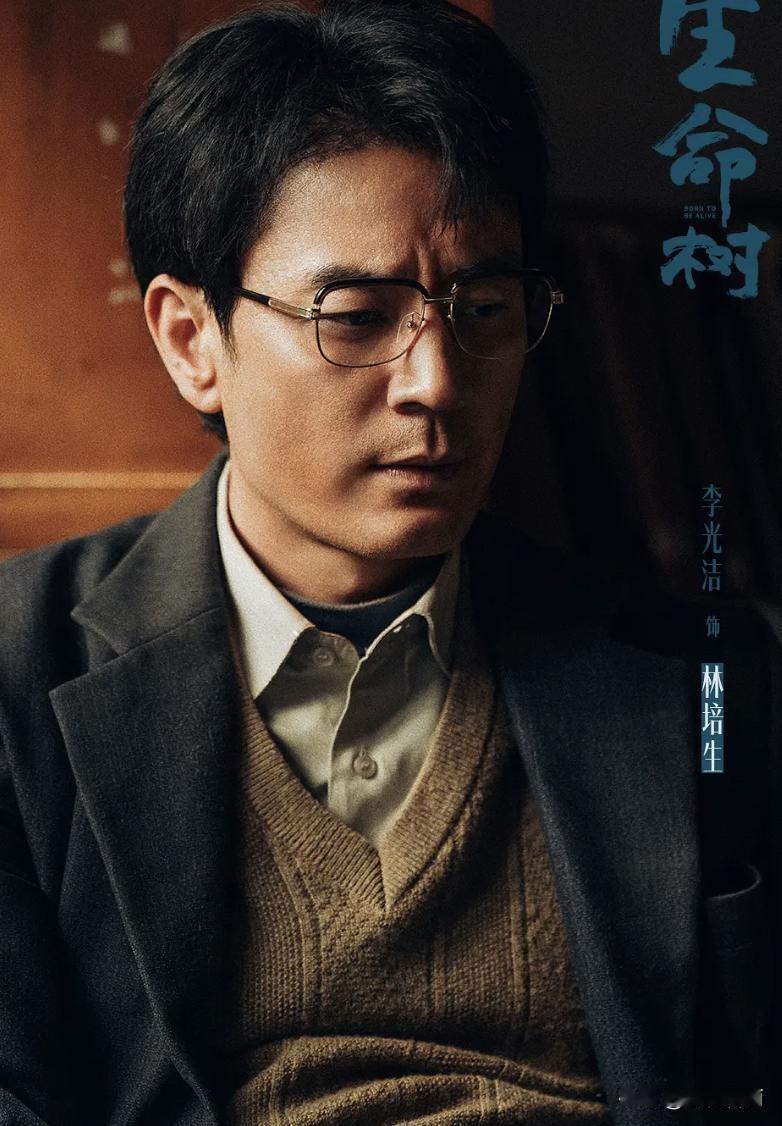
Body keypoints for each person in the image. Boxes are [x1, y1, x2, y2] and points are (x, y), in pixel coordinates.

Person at [0, 1, 777, 1123]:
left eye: (483, 308)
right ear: (190, 341)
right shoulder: (20, 673)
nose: (437, 382)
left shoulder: (702, 671)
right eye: (357, 317)